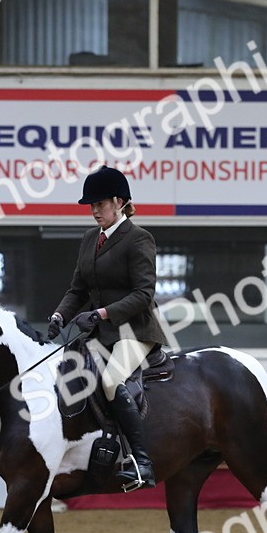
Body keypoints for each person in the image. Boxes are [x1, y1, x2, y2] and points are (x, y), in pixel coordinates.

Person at [46, 166, 167, 490]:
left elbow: (143, 294)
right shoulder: (90, 239)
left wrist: (99, 314)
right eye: (92, 205)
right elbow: (78, 290)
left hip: (135, 331)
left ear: (119, 201)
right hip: (98, 330)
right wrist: (60, 316)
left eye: (100, 203)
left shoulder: (139, 239)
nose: (94, 210)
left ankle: (142, 462)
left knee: (112, 380)